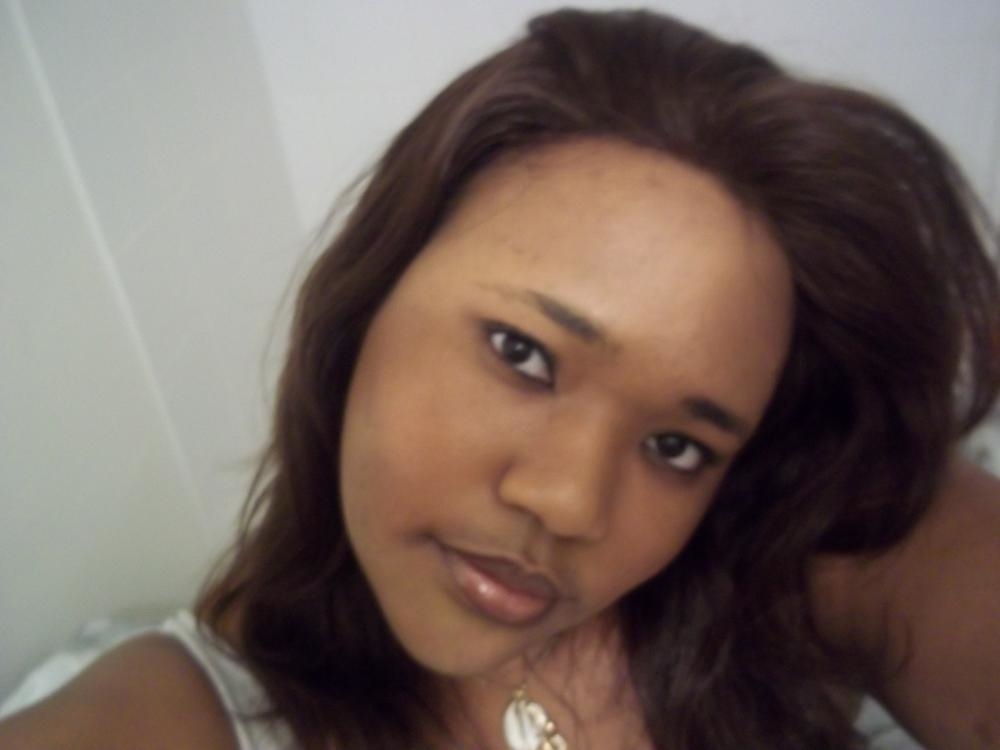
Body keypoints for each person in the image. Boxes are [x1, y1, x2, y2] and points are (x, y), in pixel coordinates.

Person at [1, 7, 998, 750]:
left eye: (677, 446)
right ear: (367, 302)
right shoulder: (168, 715)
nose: (570, 504)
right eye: (524, 355)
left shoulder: (802, 548)